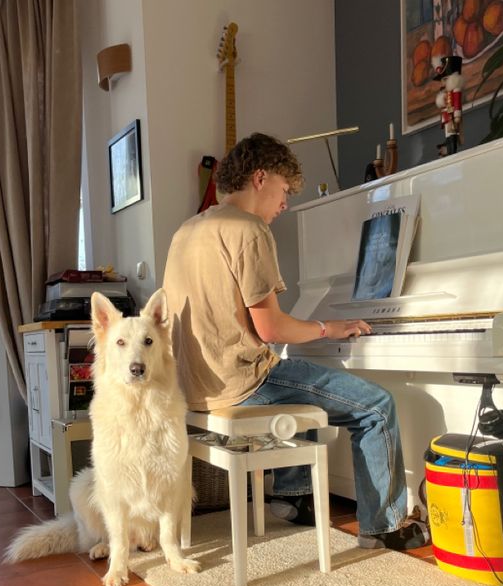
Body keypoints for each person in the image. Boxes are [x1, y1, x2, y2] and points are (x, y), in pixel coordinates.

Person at [163, 132, 425, 550]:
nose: (285, 204)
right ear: (261, 178)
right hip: (241, 386)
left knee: (299, 376)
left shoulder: (187, 230)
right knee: (376, 407)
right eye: (284, 191)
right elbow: (272, 330)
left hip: (194, 388)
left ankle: (293, 496)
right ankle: (385, 525)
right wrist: (329, 328)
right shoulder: (247, 229)